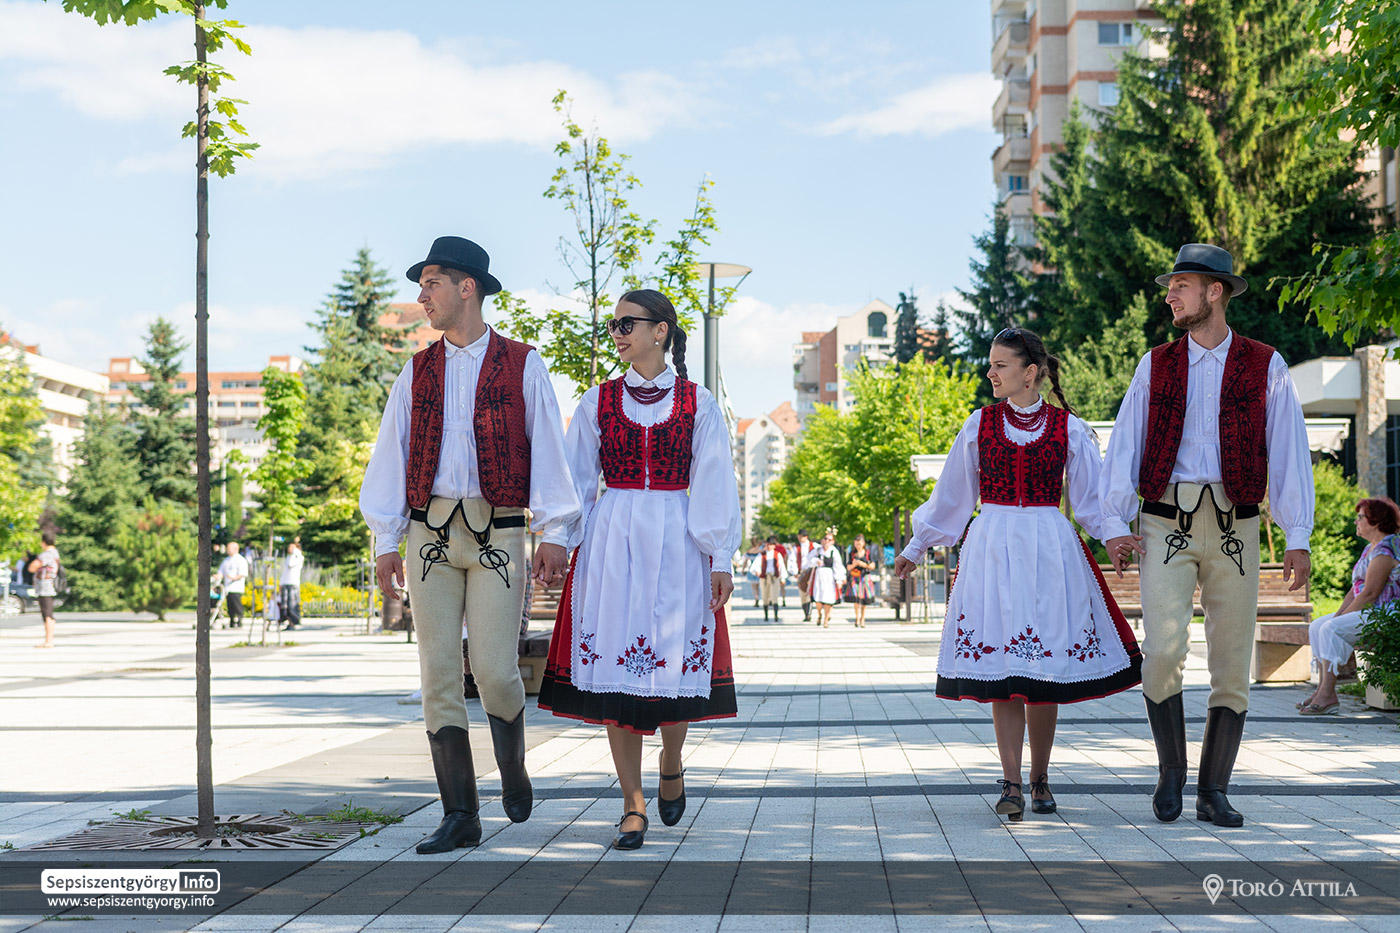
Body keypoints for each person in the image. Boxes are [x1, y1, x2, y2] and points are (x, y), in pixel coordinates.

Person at [360, 236, 581, 854]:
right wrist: (385, 540)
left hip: (499, 531)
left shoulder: (523, 364)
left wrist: (555, 531)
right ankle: (460, 814)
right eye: (421, 286)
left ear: (468, 287)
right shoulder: (416, 370)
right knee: (437, 673)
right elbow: (391, 454)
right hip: (427, 532)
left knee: (493, 669)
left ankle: (512, 768)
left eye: (431, 283)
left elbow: (548, 448)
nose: (422, 296)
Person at [1100, 244, 1314, 828]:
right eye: (1170, 286)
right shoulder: (1154, 365)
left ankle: (1213, 789)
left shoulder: (1266, 364)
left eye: (1181, 285)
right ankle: (1171, 772)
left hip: (1236, 523)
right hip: (1163, 520)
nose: (1170, 295)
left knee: (1231, 659)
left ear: (1214, 291)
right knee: (1163, 651)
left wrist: (1297, 533)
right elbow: (1124, 445)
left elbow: (1289, 450)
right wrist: (1114, 524)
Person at [895, 327, 1141, 821]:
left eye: (1000, 365)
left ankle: (1040, 777)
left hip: (1050, 550)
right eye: (991, 364)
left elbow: (1092, 500)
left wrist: (1115, 536)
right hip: (993, 551)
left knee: (1043, 667)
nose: (990, 373)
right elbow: (952, 496)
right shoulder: (979, 424)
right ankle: (1010, 780)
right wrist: (917, 545)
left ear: (1030, 373)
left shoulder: (1069, 428)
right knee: (1004, 669)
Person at [538, 289, 740, 851]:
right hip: (612, 542)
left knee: (675, 662)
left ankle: (671, 760)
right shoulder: (596, 401)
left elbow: (716, 481)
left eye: (627, 323)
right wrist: (558, 539)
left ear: (661, 331)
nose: (618, 334)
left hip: (679, 540)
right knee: (614, 671)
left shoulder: (698, 403)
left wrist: (721, 555)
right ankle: (632, 802)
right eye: (613, 325)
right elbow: (575, 481)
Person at [1299, 498, 1400, 715]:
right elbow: (1355, 589)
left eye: (1360, 517)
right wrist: (1339, 615)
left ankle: (1328, 695)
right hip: (1372, 612)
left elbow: (1370, 594)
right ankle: (1321, 690)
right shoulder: (1370, 548)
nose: (1356, 521)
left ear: (1376, 521)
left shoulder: (1386, 549)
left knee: (1331, 629)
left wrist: (1339, 621)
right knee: (1317, 626)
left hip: (1387, 615)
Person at [808, 529, 846, 629]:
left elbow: (838, 566)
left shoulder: (834, 552)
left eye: (829, 540)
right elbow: (808, 560)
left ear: (832, 541)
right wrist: (816, 561)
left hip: (829, 577)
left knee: (828, 599)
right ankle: (819, 613)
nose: (827, 541)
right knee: (818, 599)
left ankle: (826, 619)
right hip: (818, 576)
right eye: (825, 539)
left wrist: (839, 579)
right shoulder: (817, 551)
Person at [29, 530, 60, 648]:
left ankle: (48, 641)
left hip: (45, 588)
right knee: (49, 614)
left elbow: (32, 567)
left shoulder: (47, 554)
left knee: (47, 614)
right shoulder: (55, 553)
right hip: (50, 586)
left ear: (43, 542)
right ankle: (48, 640)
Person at [750, 536, 788, 621]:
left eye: (771, 545)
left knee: (775, 596)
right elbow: (755, 566)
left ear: (774, 546)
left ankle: (776, 616)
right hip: (764, 577)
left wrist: (783, 578)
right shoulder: (762, 554)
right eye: (769, 544)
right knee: (765, 596)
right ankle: (766, 616)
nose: (770, 546)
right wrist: (757, 571)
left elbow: (781, 566)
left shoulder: (777, 554)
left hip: (774, 577)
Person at [845, 534, 877, 628]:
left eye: (859, 543)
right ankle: (857, 617)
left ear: (863, 543)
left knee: (864, 599)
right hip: (855, 577)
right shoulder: (852, 554)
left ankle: (862, 618)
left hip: (865, 577)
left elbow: (873, 566)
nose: (858, 545)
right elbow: (848, 567)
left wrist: (863, 564)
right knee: (856, 598)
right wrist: (855, 564)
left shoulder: (868, 553)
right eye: (856, 544)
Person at [217, 541, 249, 629]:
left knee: (237, 605)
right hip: (227, 587)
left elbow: (242, 573)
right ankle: (232, 621)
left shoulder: (241, 560)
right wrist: (217, 576)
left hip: (236, 587)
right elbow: (221, 572)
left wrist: (233, 578)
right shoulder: (226, 560)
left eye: (229, 548)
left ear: (236, 549)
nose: (227, 550)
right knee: (230, 605)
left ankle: (239, 620)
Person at [789, 529, 818, 622]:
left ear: (806, 537)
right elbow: (792, 560)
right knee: (803, 593)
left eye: (801, 536)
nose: (799, 538)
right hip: (801, 572)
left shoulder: (814, 546)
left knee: (810, 592)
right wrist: (795, 572)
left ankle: (809, 613)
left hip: (812, 571)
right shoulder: (796, 548)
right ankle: (806, 613)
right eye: (799, 536)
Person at [279, 538, 304, 629]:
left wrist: (295, 549)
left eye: (291, 548)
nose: (289, 549)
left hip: (293, 583)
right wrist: (281, 583)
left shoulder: (298, 557)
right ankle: (289, 622)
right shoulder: (288, 557)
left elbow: (291, 564)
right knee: (285, 605)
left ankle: (294, 622)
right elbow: (285, 571)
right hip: (286, 583)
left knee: (292, 605)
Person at [743, 535, 764, 607]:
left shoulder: (749, 551)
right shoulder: (761, 551)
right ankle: (763, 598)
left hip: (752, 571)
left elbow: (745, 561)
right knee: (759, 586)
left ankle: (756, 598)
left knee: (754, 587)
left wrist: (743, 569)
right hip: (760, 570)